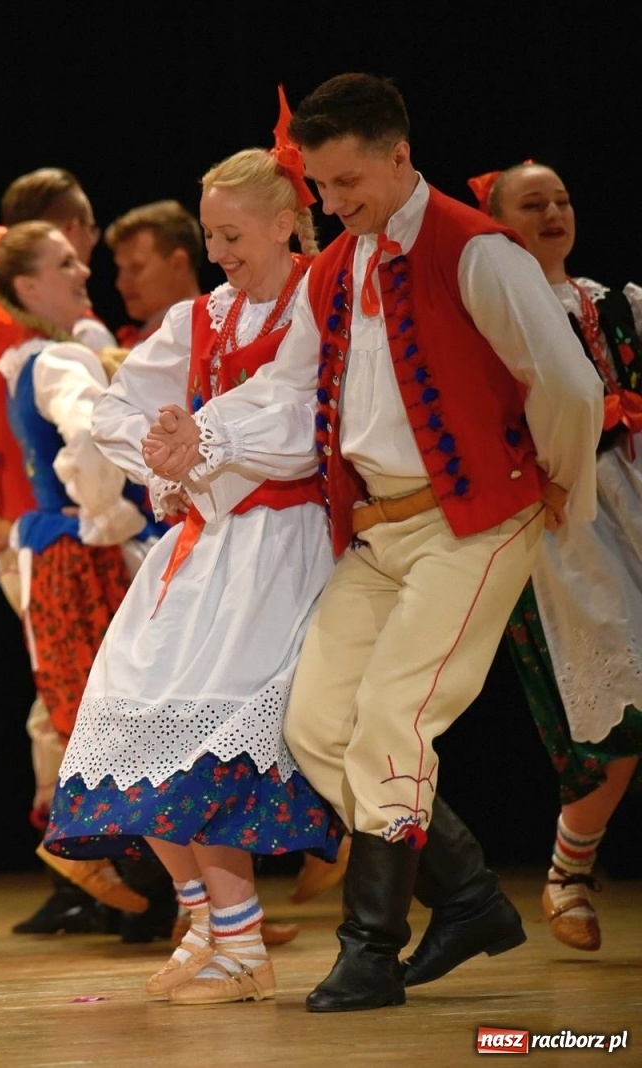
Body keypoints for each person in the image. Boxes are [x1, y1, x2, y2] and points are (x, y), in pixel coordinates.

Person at [142, 73, 604, 1012]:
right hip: (378, 529)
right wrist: (208, 435)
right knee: (315, 726)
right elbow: (286, 389)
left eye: (347, 181)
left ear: (399, 157)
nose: (333, 201)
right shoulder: (336, 268)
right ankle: (467, 894)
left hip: (473, 518)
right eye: (320, 185)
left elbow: (567, 382)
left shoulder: (476, 251)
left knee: (394, 715)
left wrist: (560, 481)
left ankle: (371, 948)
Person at [45, 120, 345, 1006]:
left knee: (209, 738)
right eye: (211, 235)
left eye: (232, 235)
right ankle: (206, 924)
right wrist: (162, 455)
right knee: (126, 713)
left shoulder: (317, 301)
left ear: (286, 223)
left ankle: (242, 945)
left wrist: (201, 440)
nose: (218, 254)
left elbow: (299, 417)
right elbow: (115, 408)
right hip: (207, 542)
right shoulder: (201, 317)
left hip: (283, 544)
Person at [0, 168, 142, 937]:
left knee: (80, 698)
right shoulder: (45, 349)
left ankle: (138, 879)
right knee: (87, 701)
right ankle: (91, 853)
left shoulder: (74, 339)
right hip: (62, 539)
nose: (86, 263)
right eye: (69, 251)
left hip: (62, 537)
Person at [472, 160, 642, 953]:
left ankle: (570, 869)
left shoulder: (617, 305)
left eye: (563, 200)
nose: (554, 213)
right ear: (500, 226)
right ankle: (568, 869)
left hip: (633, 494)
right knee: (622, 701)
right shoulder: (495, 319)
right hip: (569, 516)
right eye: (533, 203)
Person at [103, 200, 203, 346]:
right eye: (121, 269)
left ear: (178, 264)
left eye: (136, 268)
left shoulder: (203, 338)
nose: (120, 284)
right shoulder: (151, 338)